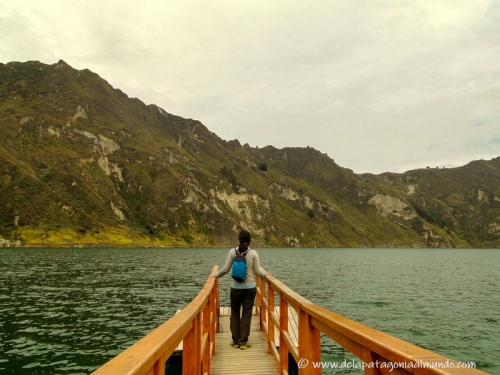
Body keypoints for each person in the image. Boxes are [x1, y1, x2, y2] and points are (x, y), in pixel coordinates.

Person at [210, 230, 270, 350]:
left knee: (235, 313)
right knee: (246, 315)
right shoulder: (253, 254)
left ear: (239, 239)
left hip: (236, 288)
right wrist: (265, 274)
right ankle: (243, 342)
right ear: (250, 240)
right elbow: (258, 271)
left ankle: (235, 340)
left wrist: (214, 276)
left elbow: (225, 269)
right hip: (250, 288)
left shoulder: (232, 252)